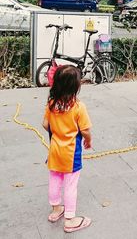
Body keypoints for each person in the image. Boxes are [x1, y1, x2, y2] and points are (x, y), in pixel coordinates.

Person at [42, 65, 92, 233]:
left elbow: (45, 125)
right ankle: (70, 219)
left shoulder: (51, 104)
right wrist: (88, 140)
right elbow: (85, 130)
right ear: (76, 86)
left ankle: (56, 210)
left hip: (54, 151)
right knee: (70, 185)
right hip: (71, 154)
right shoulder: (79, 107)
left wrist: (57, 131)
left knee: (55, 179)